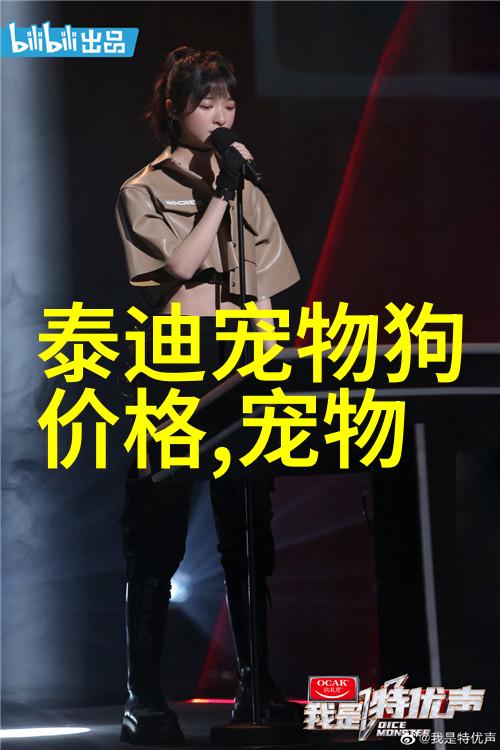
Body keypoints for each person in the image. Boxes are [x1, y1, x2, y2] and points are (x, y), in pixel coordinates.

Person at [115, 46, 301, 745]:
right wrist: (221, 197)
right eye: (206, 103)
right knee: (155, 538)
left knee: (248, 531)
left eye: (229, 102)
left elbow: (266, 291)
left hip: (241, 366)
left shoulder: (247, 188)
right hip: (172, 369)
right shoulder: (142, 190)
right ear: (174, 109)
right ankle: (143, 696)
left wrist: (273, 360)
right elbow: (180, 267)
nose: (222, 115)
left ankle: (256, 681)